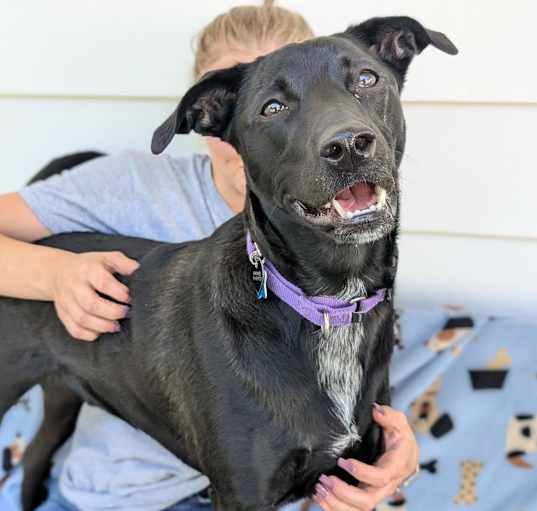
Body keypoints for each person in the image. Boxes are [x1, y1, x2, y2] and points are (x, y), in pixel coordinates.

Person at [0, 2, 419, 510]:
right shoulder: (133, 187)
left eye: (343, 87)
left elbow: (352, 412)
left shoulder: (353, 247)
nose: (329, 131)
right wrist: (52, 275)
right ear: (214, 115)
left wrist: (392, 458)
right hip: (125, 497)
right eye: (272, 104)